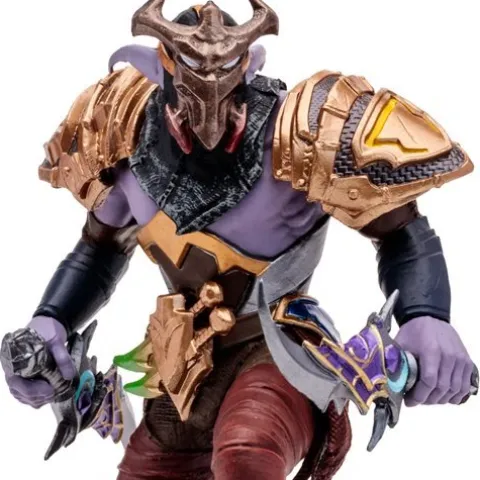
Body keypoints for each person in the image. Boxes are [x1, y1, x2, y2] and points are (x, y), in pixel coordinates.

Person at [2, 1, 475, 479]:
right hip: (183, 365)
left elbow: (400, 231)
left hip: (282, 352)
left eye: (225, 83)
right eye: (190, 85)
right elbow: (100, 249)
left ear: (251, 67)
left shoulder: (307, 136)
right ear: (154, 69)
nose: (209, 116)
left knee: (248, 452)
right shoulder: (119, 137)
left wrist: (426, 316)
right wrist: (51, 320)